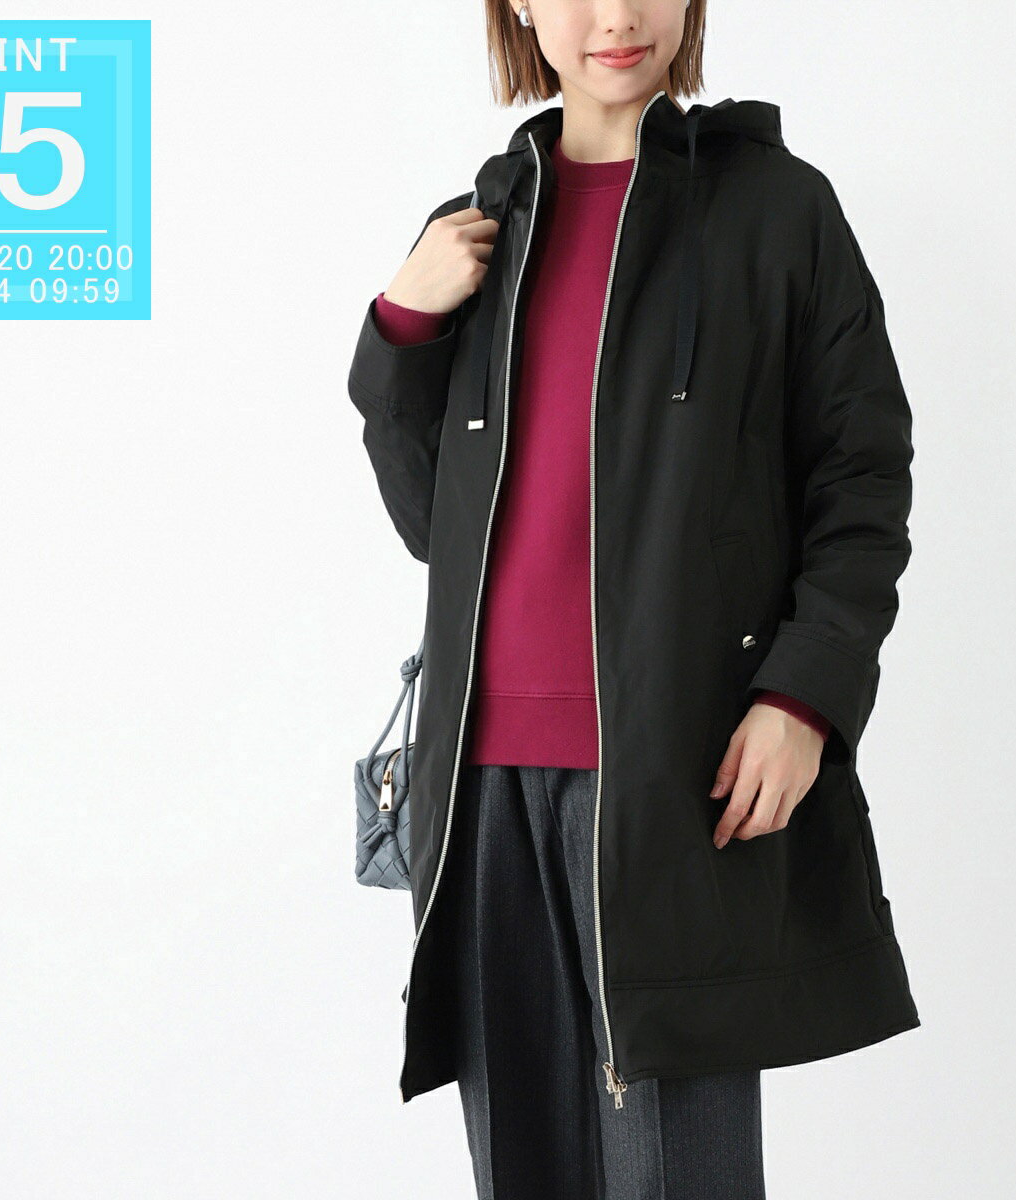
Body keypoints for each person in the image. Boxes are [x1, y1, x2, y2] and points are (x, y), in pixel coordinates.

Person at [346, 2, 920, 1196]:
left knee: (682, 1173)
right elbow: (432, 529)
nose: (617, 16)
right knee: (526, 1170)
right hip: (484, 787)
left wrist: (803, 697)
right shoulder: (479, 230)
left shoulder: (777, 211)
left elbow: (861, 475)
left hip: (675, 779)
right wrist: (404, 326)